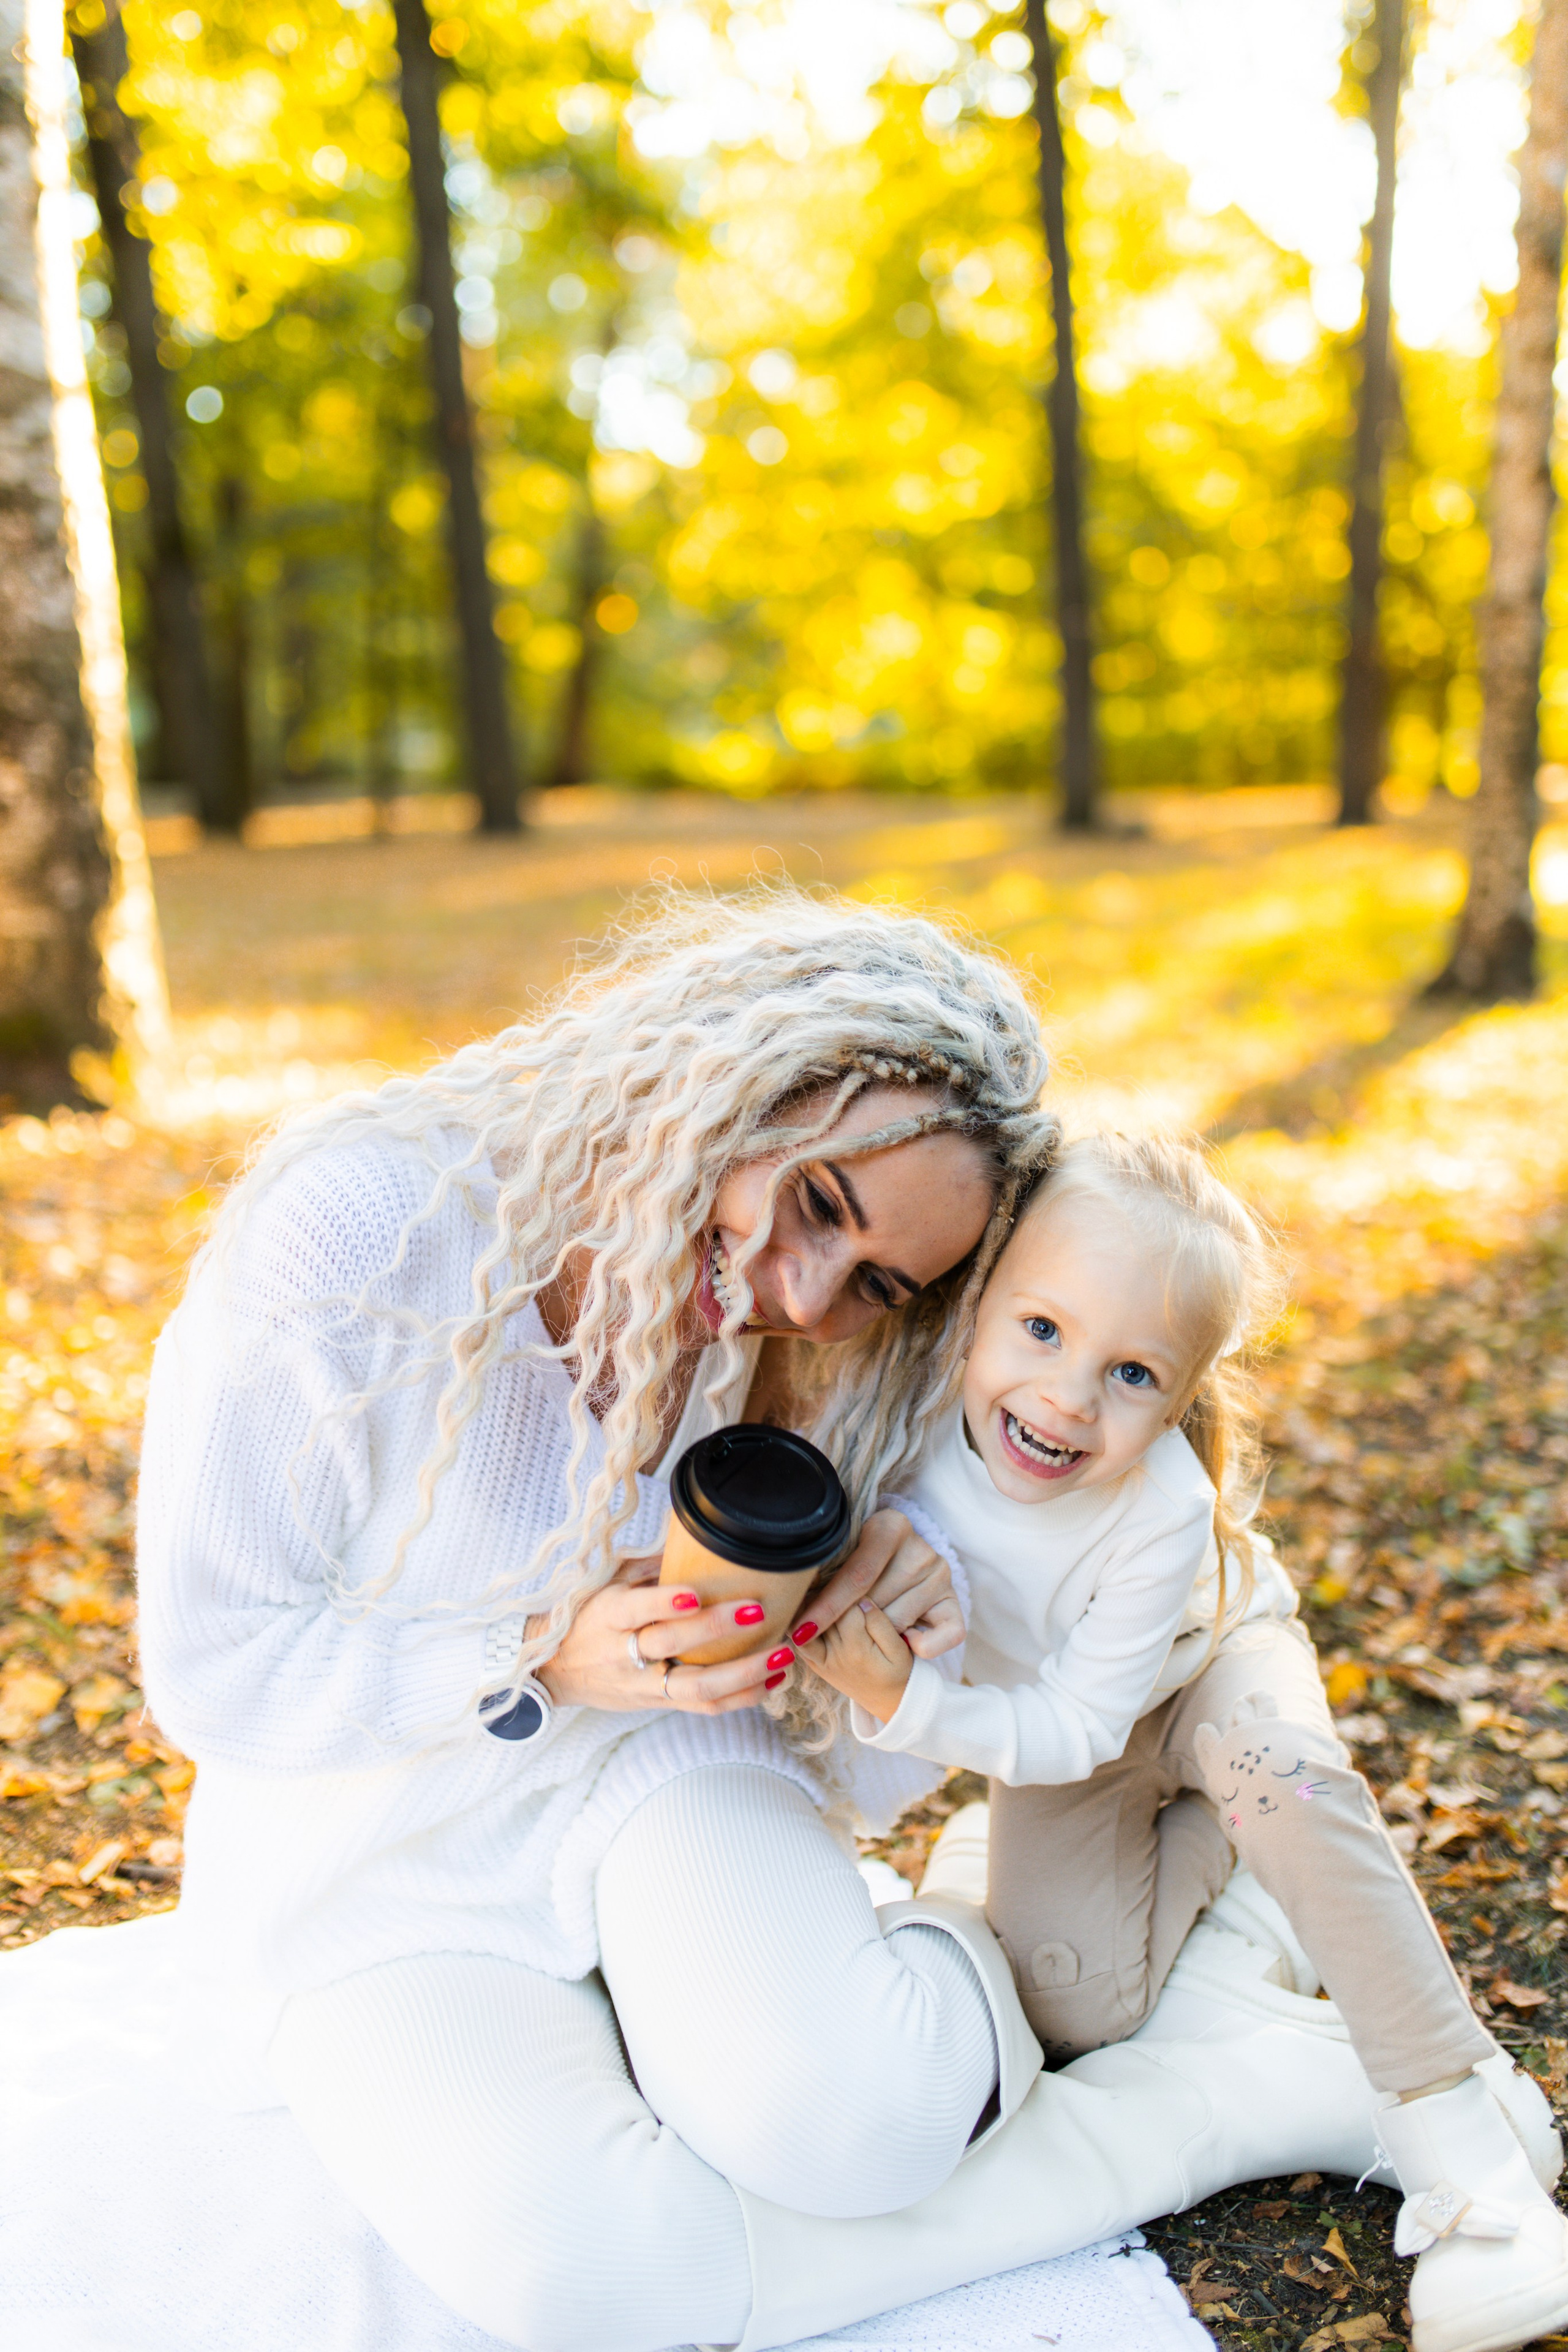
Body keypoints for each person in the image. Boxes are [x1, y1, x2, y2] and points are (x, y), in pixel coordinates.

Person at [138, 893, 1392, 2352]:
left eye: (875, 1283)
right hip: (380, 1859)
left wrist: (894, 1643)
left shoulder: (824, 1363)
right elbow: (216, 1666)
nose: (795, 1295)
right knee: (586, 2287)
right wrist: (534, 1653)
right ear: (726, 1079)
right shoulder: (369, 1223)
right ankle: (1206, 2100)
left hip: (668, 1776)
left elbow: (837, 1775)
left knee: (861, 2122)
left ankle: (952, 1993)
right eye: (813, 1202)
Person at [804, 1129, 1568, 2352]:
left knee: (1279, 1780)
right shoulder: (901, 1437)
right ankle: (1243, 1886)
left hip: (1209, 1673)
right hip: (1073, 1746)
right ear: (978, 1300)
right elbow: (1060, 1738)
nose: (1064, 1398)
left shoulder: (1160, 1503)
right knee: (1073, 2017)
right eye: (1041, 1331)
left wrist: (912, 1709)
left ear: (1180, 1394)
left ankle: (1466, 2153)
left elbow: (1077, 1717)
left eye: (1131, 1375)